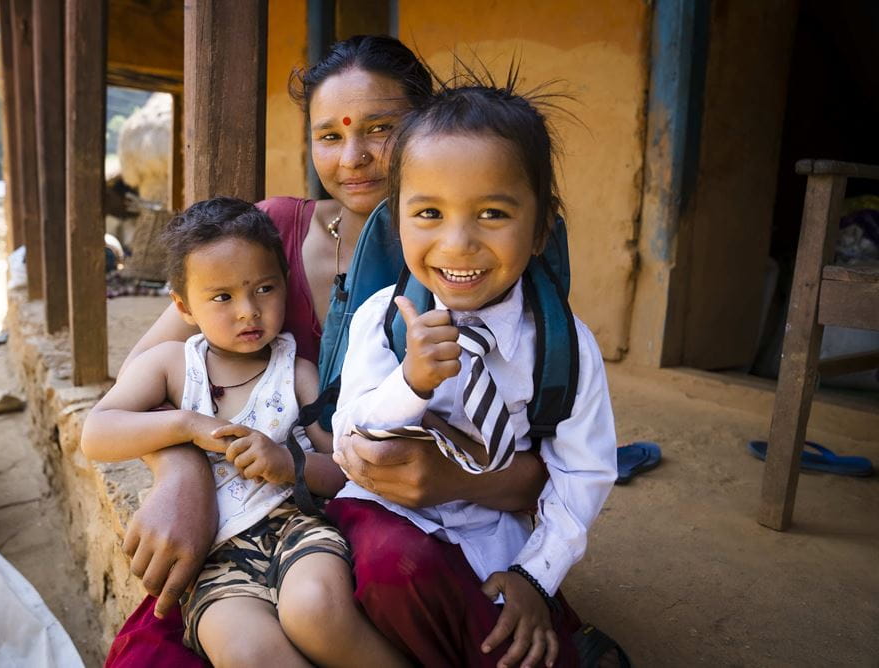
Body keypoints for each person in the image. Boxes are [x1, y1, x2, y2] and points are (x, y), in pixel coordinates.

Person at [105, 36, 574, 667]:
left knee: (393, 573)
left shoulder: (481, 266)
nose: (353, 157)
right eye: (329, 135)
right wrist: (184, 473)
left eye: (381, 129)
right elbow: (143, 380)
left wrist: (448, 480)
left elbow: (550, 461)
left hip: (415, 529)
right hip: (256, 520)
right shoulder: (268, 234)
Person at [330, 81, 618, 667]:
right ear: (397, 222)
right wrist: (409, 384)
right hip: (385, 513)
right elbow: (348, 436)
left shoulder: (565, 346)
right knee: (395, 570)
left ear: (541, 228)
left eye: (492, 213)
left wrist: (536, 576)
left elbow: (583, 472)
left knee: (515, 631)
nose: (458, 244)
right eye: (429, 213)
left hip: (495, 530)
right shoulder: (383, 320)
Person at [82, 197, 406, 666]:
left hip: (297, 527)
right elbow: (96, 433)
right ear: (183, 306)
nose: (248, 311)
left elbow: (344, 471)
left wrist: (288, 463)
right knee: (247, 652)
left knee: (317, 608)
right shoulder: (171, 366)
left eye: (264, 289)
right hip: (215, 555)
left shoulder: (296, 372)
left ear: (286, 284)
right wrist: (187, 424)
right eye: (222, 297)